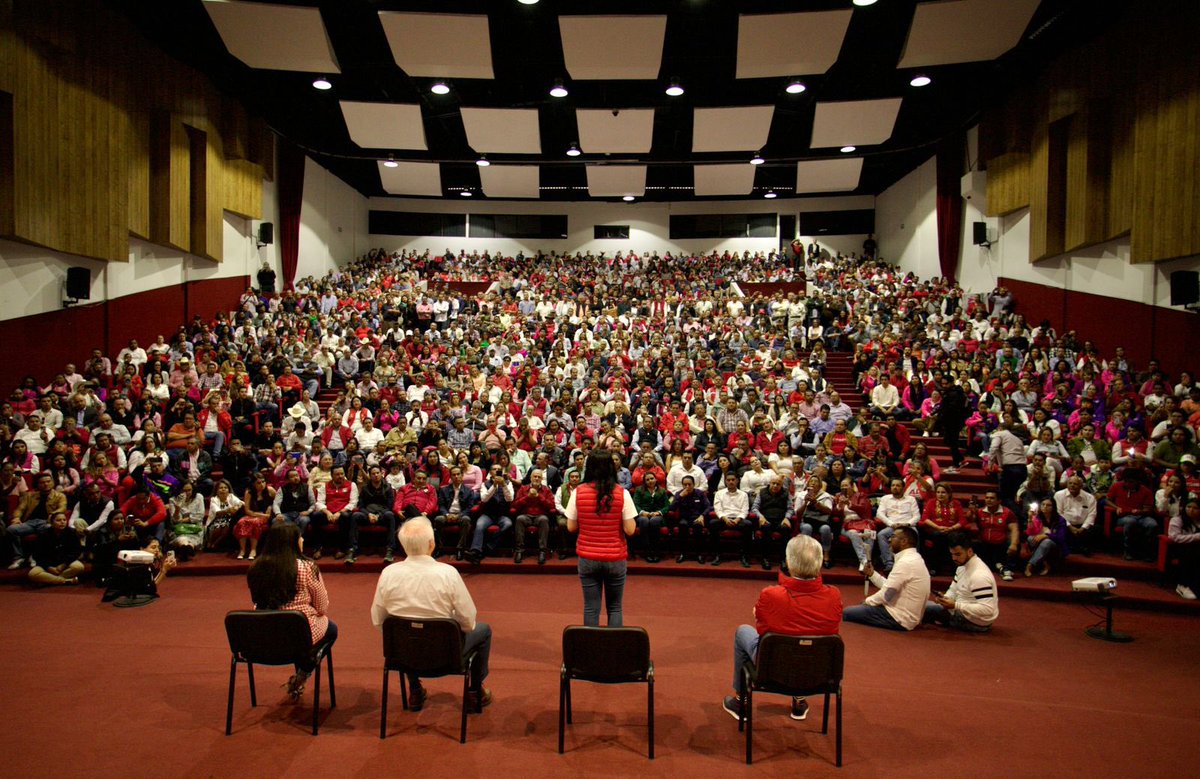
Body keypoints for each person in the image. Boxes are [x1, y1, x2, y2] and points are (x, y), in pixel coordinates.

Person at [370, 517, 492, 711]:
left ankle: (415, 690)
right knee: (484, 630)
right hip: (446, 656)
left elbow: (379, 621)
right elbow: (468, 621)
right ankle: (475, 691)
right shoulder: (448, 573)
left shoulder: (388, 573)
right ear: (431, 544)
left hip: (403, 656)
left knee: (405, 629)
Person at [722, 535, 842, 723]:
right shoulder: (834, 595)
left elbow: (761, 628)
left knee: (743, 632)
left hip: (772, 668)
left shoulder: (772, 594)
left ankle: (741, 701)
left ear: (789, 562)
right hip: (819, 672)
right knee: (807, 643)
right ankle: (800, 700)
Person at [246, 523, 336, 701]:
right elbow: (322, 607)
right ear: (292, 542)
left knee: (296, 630)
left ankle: (302, 670)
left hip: (262, 637)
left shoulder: (255, 567)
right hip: (299, 635)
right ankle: (304, 671)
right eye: (300, 537)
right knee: (331, 629)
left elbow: (256, 600)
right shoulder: (307, 567)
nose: (302, 540)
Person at [564, 453, 637, 627]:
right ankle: (613, 651)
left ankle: (590, 651)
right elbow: (630, 529)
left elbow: (571, 527)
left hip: (588, 557)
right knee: (615, 608)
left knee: (591, 608)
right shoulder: (622, 493)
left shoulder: (578, 492)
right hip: (615, 558)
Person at [845, 526, 931, 631]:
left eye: (893, 536)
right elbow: (891, 587)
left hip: (899, 618)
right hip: (907, 615)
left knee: (847, 613)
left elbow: (887, 594)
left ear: (904, 541)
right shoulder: (914, 558)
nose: (889, 539)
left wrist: (867, 601)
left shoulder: (906, 562)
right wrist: (872, 574)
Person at [923, 531, 999, 632]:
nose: (954, 558)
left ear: (970, 552)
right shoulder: (962, 566)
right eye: (952, 554)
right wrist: (945, 598)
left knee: (919, 606)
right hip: (964, 612)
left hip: (975, 622)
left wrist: (955, 605)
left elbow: (988, 610)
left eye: (958, 554)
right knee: (923, 605)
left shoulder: (979, 575)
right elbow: (953, 589)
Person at [509, 468, 556, 564]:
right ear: (530, 478)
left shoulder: (546, 490)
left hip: (540, 516)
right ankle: (519, 550)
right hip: (526, 515)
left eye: (539, 477)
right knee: (519, 519)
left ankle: (542, 551)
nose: (537, 478)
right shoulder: (523, 489)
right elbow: (515, 505)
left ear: (542, 479)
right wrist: (527, 497)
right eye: (535, 476)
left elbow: (552, 506)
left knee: (544, 519)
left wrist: (539, 496)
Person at [28, 511, 84, 585]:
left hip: (65, 562)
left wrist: (63, 565)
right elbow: (37, 555)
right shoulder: (44, 534)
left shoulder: (71, 532)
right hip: (48, 564)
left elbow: (76, 552)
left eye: (64, 520)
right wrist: (49, 567)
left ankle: (48, 580)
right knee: (32, 574)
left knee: (79, 567)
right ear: (52, 523)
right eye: (58, 520)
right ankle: (66, 581)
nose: (62, 522)